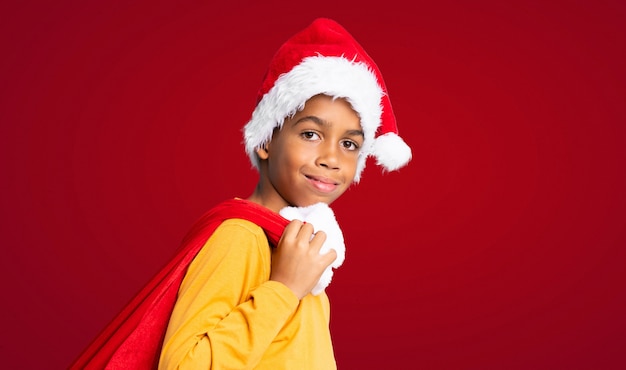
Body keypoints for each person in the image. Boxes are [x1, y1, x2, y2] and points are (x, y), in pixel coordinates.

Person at [70, 17, 411, 370]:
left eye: (349, 144)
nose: (331, 159)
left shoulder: (298, 249)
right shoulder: (241, 237)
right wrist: (283, 289)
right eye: (310, 134)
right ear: (265, 140)